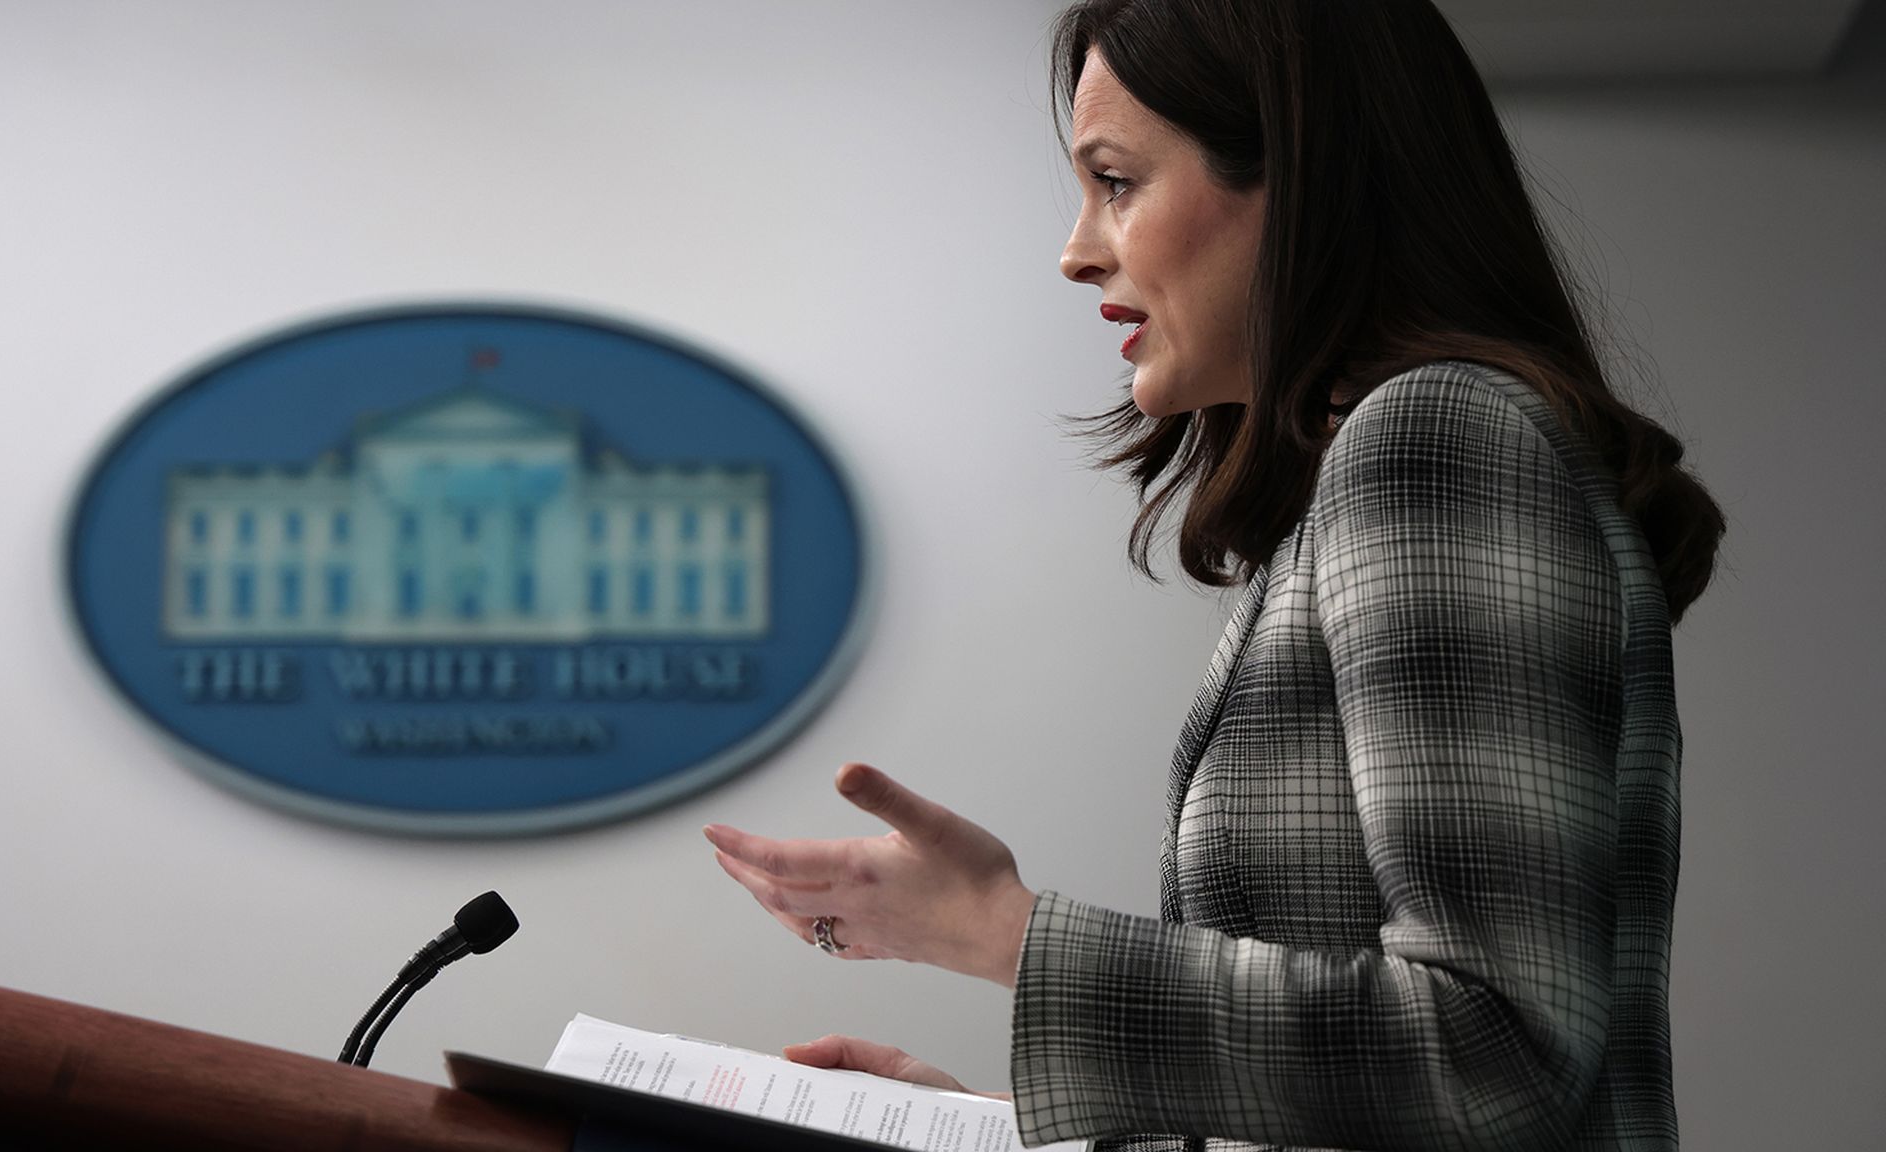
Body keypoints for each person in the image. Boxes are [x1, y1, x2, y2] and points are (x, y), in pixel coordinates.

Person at [703, 1, 1725, 1149]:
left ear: (1301, 183)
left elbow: (1494, 1049)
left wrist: (1003, 933)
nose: (1078, 247)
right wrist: (984, 1126)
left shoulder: (1439, 435)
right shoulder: (1371, 476)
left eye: (1117, 180)